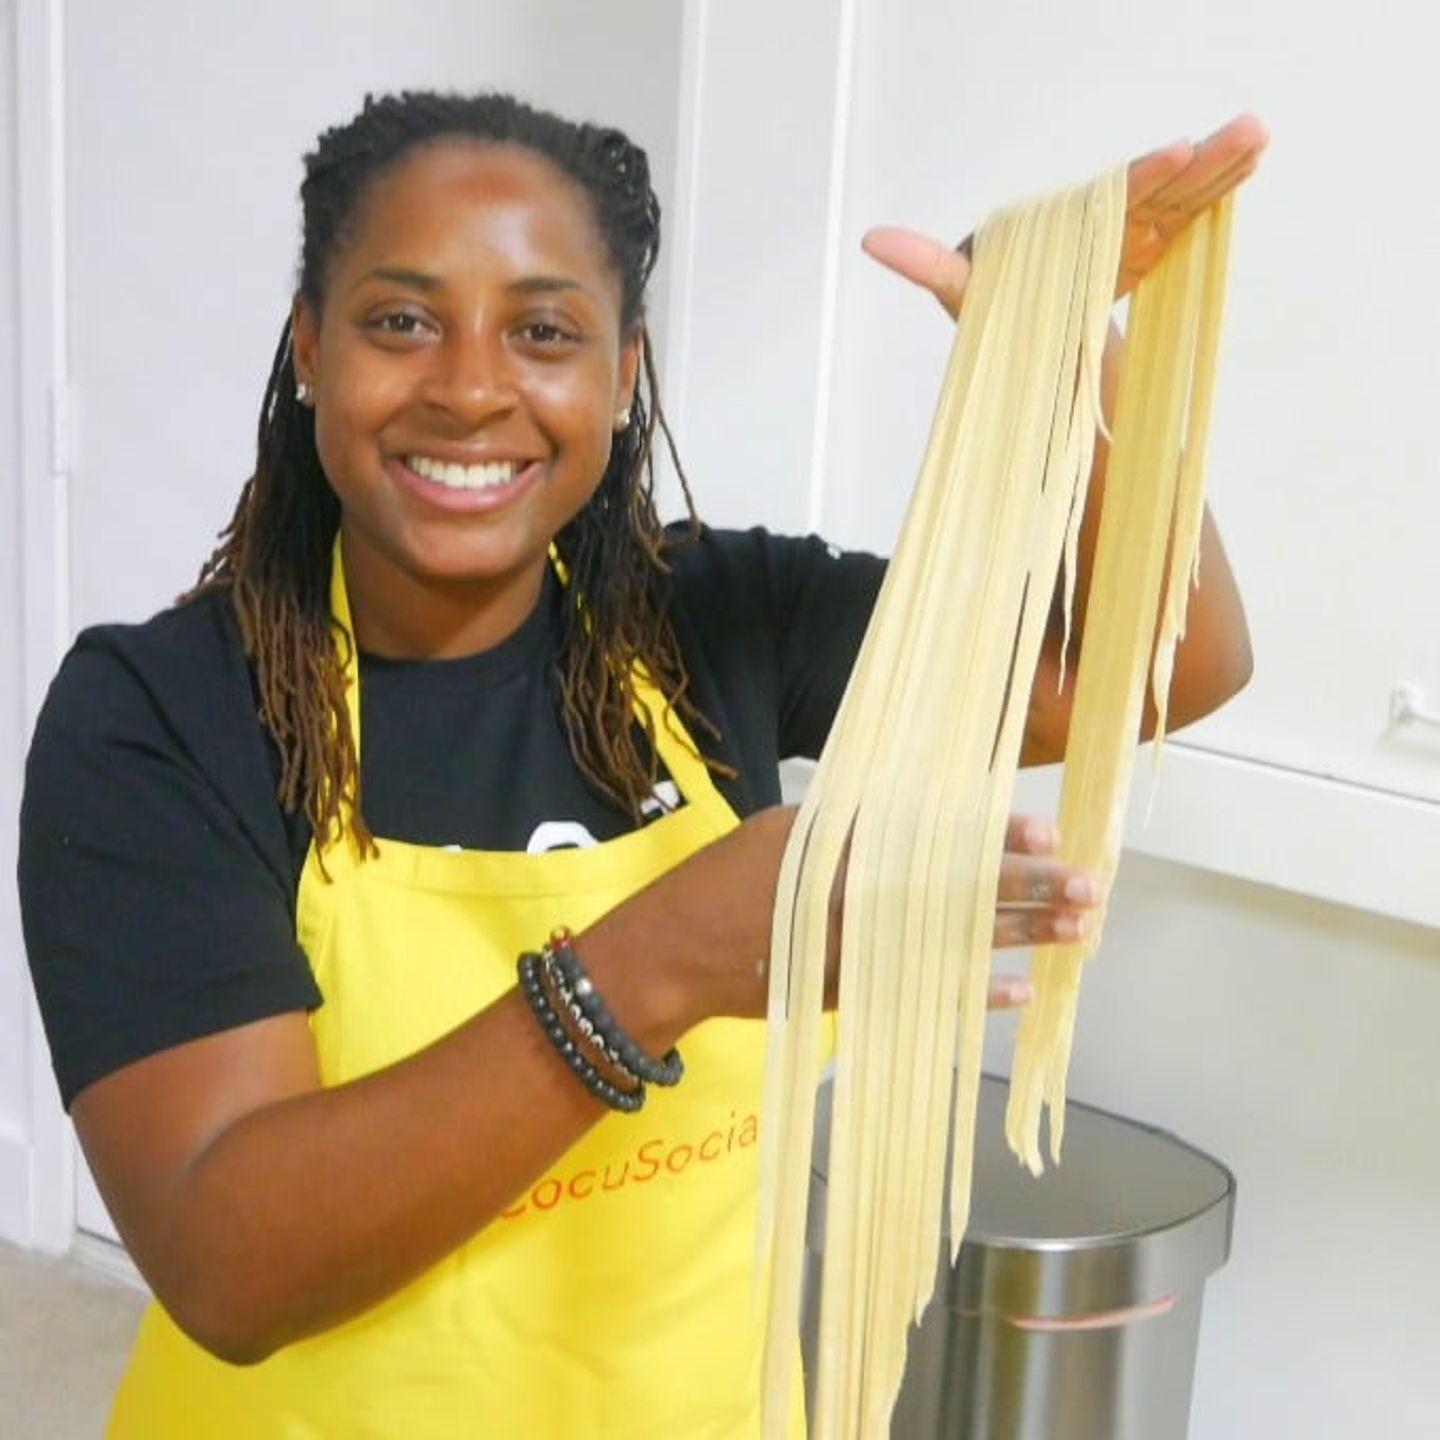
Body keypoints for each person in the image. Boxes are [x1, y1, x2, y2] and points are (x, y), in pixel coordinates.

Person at [18, 91, 1265, 1436]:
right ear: (310, 348)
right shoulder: (163, 716)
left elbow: (1169, 657)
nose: (471, 387)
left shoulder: (714, 620)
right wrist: (658, 963)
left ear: (623, 376)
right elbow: (232, 1261)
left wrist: (1053, 340)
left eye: (544, 332)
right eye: (402, 321)